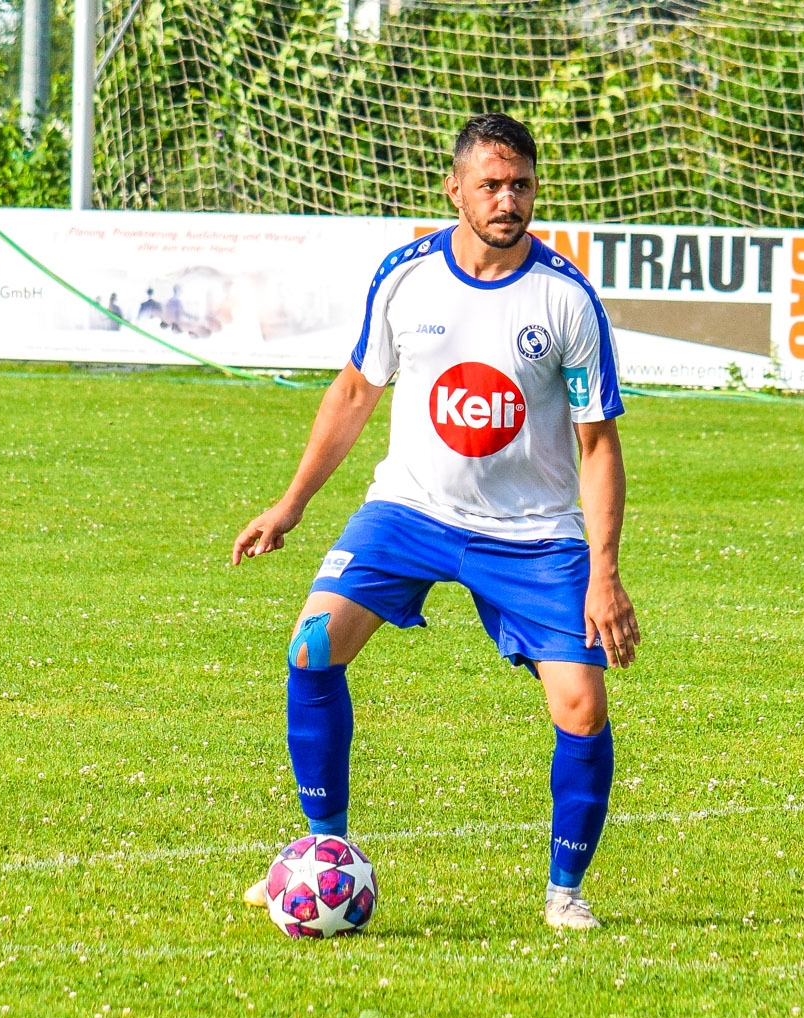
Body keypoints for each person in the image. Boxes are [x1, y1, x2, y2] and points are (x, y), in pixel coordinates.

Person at [232, 113, 637, 931]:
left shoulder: (565, 298)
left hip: (532, 533)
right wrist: (291, 503)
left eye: (521, 184)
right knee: (312, 647)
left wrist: (604, 572)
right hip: (410, 510)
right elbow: (354, 392)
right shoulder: (407, 275)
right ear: (455, 189)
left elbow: (597, 444)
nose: (507, 200)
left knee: (582, 709)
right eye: (490, 185)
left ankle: (565, 894)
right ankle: (323, 855)